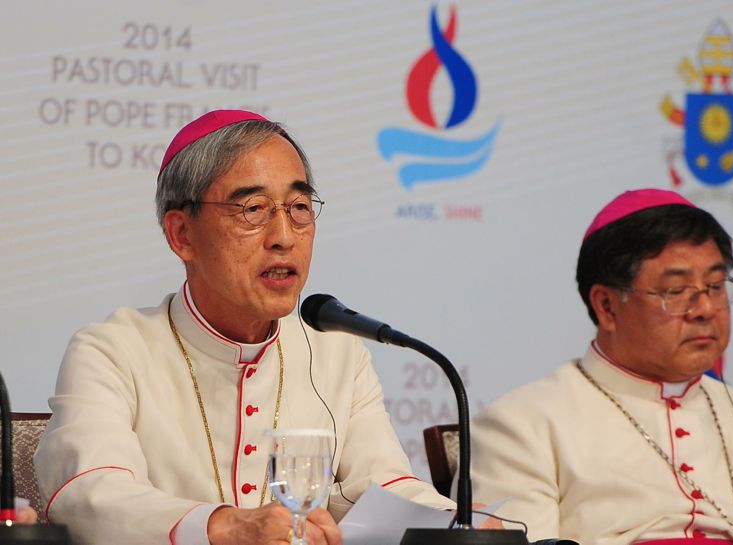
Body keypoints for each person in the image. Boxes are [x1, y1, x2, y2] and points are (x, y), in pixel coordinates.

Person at [34, 110, 455, 545]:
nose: (284, 237)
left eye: (298, 208)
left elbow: (381, 487)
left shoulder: (338, 355)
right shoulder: (113, 351)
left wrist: (458, 524)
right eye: (253, 209)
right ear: (182, 234)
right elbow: (90, 495)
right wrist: (225, 526)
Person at [470, 189, 733, 544]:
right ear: (607, 306)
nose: (704, 308)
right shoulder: (524, 425)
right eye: (675, 291)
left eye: (715, 286)